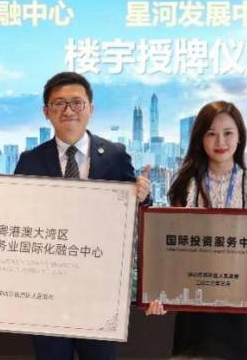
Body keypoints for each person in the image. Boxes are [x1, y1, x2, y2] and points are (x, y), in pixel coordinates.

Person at [145, 100, 247, 360]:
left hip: (242, 306)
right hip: (194, 304)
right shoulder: (185, 184)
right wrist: (158, 292)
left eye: (228, 133)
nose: (220, 141)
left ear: (240, 137)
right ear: (200, 139)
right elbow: (172, 251)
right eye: (211, 133)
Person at [13, 71, 150, 360]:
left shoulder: (115, 155)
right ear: (46, 112)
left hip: (99, 289)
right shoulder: (30, 160)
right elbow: (17, 215)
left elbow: (136, 209)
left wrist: (143, 194)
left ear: (91, 108)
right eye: (59, 103)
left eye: (77, 102)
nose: (68, 110)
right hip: (46, 291)